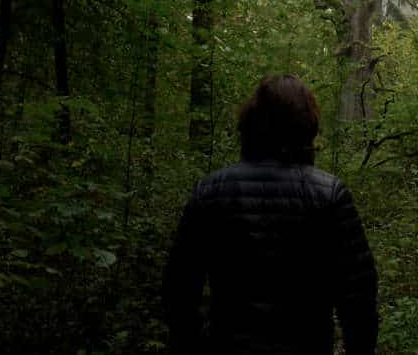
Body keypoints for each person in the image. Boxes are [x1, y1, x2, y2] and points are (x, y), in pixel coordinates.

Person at [162, 74, 378, 354]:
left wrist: (192, 342)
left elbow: (179, 289)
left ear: (250, 121)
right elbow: (358, 300)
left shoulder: (210, 191)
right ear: (307, 124)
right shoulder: (330, 195)